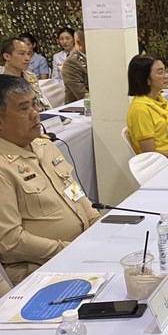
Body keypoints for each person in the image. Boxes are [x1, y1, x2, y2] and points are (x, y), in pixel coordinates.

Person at [0, 75, 98, 293]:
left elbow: (72, 189)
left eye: (34, 103)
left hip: (80, 251)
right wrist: (67, 250)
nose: (35, 113)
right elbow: (10, 242)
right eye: (24, 108)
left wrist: (95, 220)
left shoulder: (44, 146)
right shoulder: (3, 168)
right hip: (42, 270)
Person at [126, 55, 168, 160]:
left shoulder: (160, 100)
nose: (166, 76)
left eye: (166, 71)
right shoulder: (140, 109)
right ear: (146, 79)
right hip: (161, 163)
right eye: (160, 72)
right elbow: (150, 154)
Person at [0, 38, 51, 112]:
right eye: (22, 54)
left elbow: (42, 102)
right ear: (7, 56)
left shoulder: (30, 76)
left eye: (28, 54)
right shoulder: (2, 80)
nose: (27, 58)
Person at [62, 28, 89, 103]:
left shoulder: (95, 56)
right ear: (79, 42)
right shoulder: (71, 63)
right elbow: (83, 95)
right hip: (80, 107)